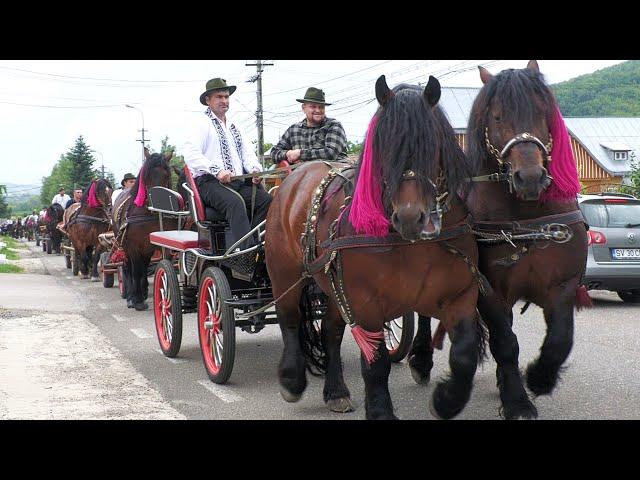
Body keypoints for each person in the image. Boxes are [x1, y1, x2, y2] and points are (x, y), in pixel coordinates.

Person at [182, 77, 272, 251]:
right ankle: (244, 253)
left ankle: (256, 246)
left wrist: (255, 170)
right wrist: (217, 171)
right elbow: (191, 155)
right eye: (219, 97)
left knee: (265, 200)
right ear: (208, 100)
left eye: (226, 97)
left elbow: (248, 154)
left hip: (235, 182)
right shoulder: (201, 124)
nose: (224, 101)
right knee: (235, 203)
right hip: (209, 183)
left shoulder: (234, 127)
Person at [270, 87, 348, 165]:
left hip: (333, 174)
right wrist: (288, 154)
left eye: (321, 107)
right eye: (313, 106)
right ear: (304, 108)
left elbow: (330, 153)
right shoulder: (293, 130)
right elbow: (274, 153)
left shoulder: (334, 126)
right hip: (302, 175)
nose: (318, 110)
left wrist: (300, 154)